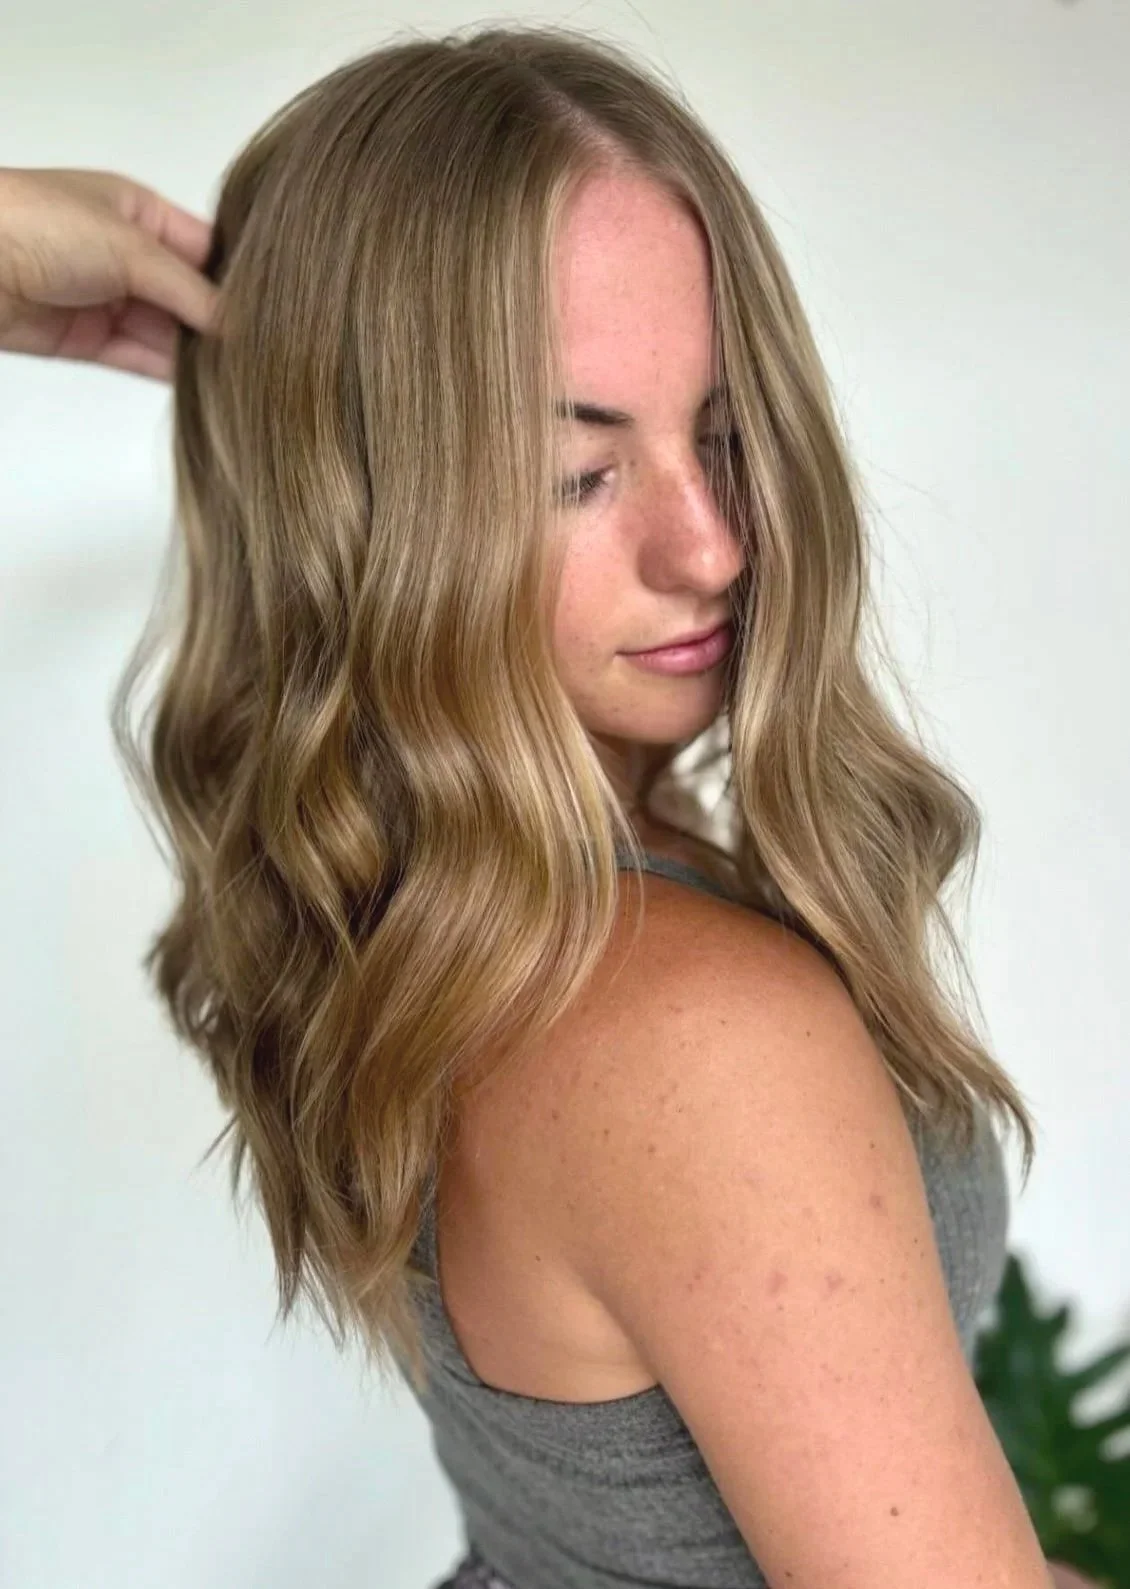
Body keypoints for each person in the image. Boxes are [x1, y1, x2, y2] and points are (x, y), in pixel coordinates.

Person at [0, 25, 1104, 1589]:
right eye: (572, 476)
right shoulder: (686, 1026)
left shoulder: (443, 915)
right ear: (362, 507)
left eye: (725, 435)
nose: (709, 546)